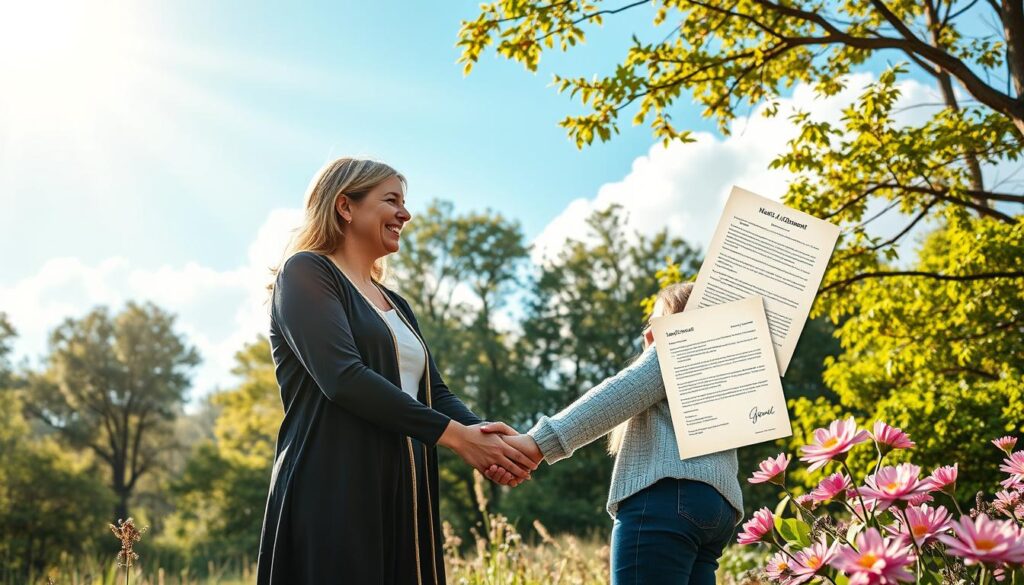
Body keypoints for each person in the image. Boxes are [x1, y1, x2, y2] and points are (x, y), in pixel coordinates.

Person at [256, 157, 536, 585]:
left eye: (404, 202)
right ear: (345, 207)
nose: (405, 214)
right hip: (335, 489)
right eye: (391, 200)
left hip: (406, 493)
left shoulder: (397, 305)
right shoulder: (307, 272)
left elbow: (434, 393)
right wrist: (457, 439)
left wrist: (488, 438)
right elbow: (343, 378)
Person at [484, 283, 744, 584]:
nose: (649, 333)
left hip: (666, 500)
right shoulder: (726, 373)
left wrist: (536, 443)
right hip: (717, 512)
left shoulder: (682, 345)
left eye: (657, 321)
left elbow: (617, 395)